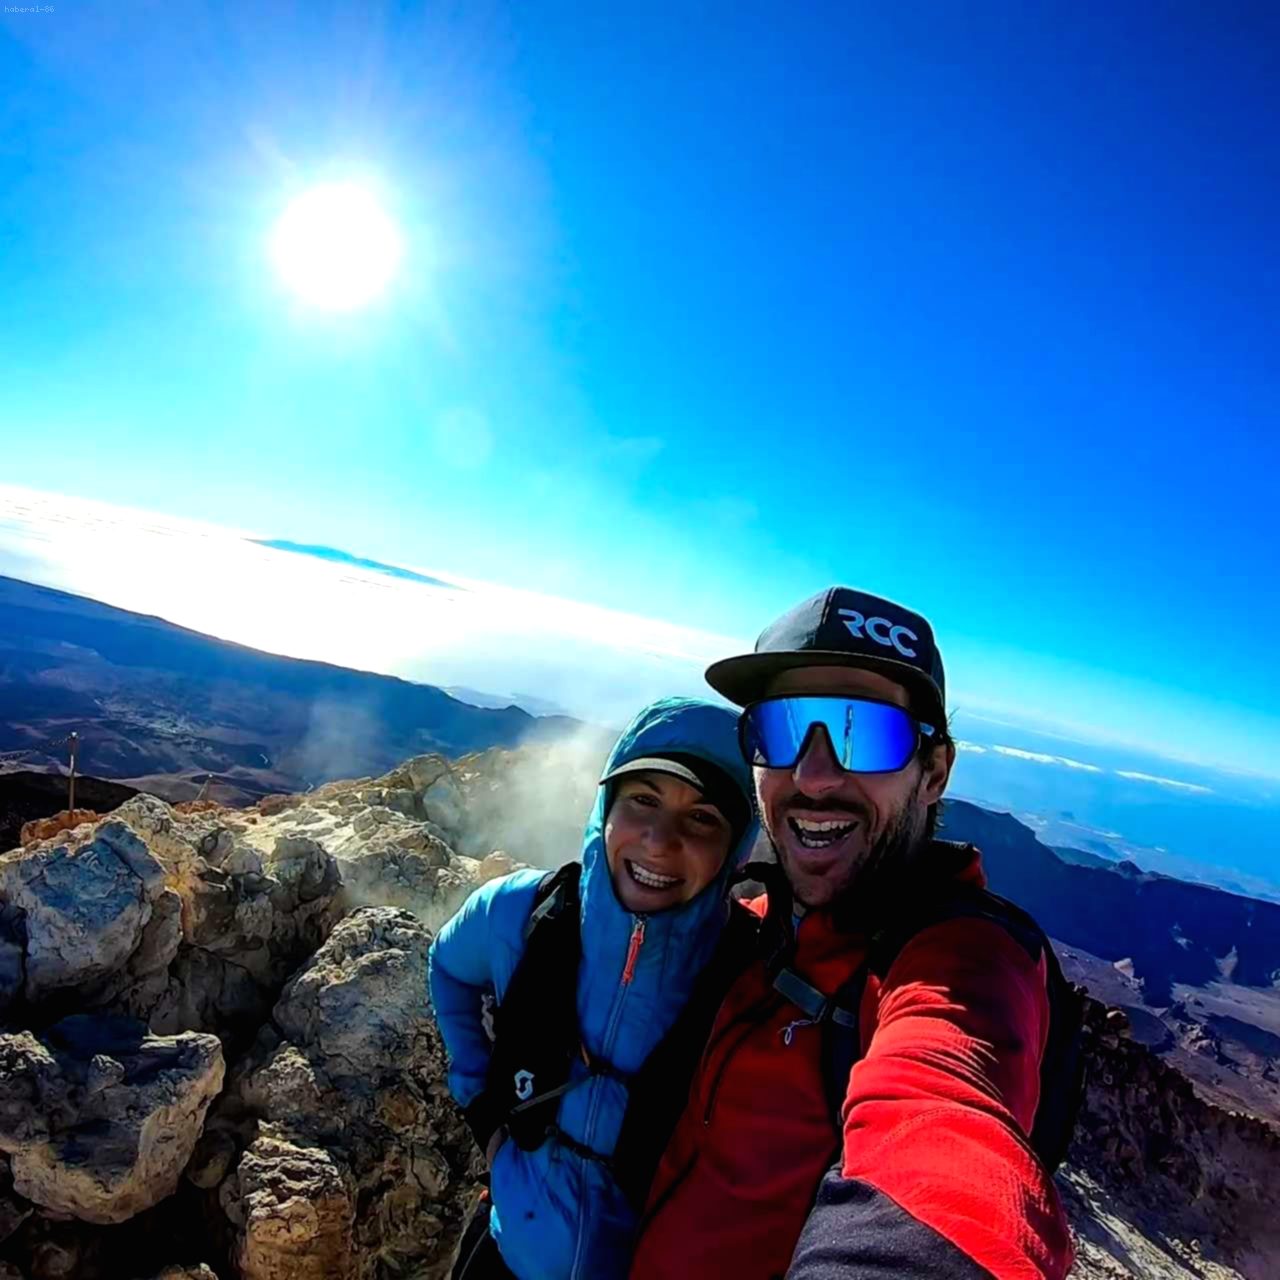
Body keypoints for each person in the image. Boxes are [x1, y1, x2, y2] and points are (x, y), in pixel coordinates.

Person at [629, 587, 1077, 1280]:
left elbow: (943, 1132)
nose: (812, 777)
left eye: (862, 732)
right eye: (780, 729)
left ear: (933, 772)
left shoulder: (965, 963)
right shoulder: (753, 926)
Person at [428, 696, 758, 1280]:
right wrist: (483, 1111)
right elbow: (448, 968)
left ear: (734, 849)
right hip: (504, 1251)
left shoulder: (750, 978)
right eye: (643, 801)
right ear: (605, 807)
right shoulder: (521, 914)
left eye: (703, 818)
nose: (659, 840)